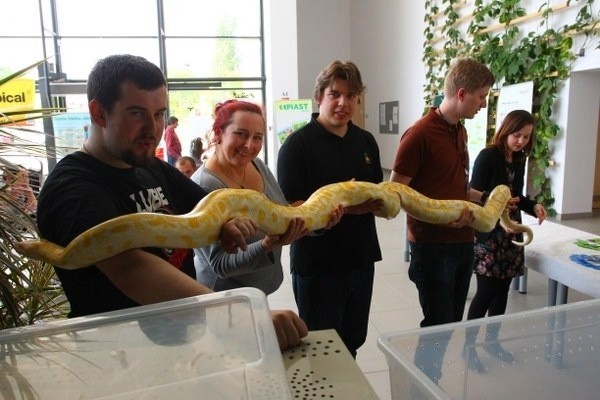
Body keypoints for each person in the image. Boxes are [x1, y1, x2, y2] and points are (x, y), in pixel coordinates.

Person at [35, 54, 307, 351]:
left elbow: (212, 205)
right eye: (137, 113)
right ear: (99, 113)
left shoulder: (150, 166)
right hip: (117, 352)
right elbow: (130, 267)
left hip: (180, 338)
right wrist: (244, 317)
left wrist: (228, 225)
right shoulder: (73, 188)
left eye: (159, 114)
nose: (152, 129)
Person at [390, 57, 494, 383]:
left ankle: (431, 381)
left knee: (452, 321)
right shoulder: (419, 134)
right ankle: (424, 386)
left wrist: (485, 199)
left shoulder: (459, 131)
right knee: (437, 323)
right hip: (432, 246)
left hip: (463, 242)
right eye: (482, 97)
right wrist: (438, 221)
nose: (484, 104)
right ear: (462, 94)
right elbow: (397, 192)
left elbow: (455, 185)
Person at [277, 60, 384, 358]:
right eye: (335, 94)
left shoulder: (366, 142)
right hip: (318, 266)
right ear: (319, 96)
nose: (343, 103)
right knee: (320, 347)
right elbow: (292, 209)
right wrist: (344, 211)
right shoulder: (296, 146)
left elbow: (377, 193)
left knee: (352, 342)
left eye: (351, 96)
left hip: (361, 260)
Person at [191, 99, 328, 295]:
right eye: (241, 134)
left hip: (258, 292)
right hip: (224, 299)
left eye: (257, 137)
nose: (249, 145)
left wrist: (319, 220)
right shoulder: (205, 186)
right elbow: (220, 264)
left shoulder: (256, 165)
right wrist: (266, 245)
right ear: (219, 133)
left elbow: (284, 211)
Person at [464, 109, 547, 372]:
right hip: (490, 230)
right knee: (486, 292)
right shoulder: (489, 155)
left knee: (502, 292)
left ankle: (491, 342)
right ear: (505, 129)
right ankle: (469, 347)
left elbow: (517, 195)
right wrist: (495, 198)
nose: (520, 141)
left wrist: (533, 205)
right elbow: (471, 192)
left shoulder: (519, 158)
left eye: (526, 137)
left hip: (511, 232)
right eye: (516, 134)